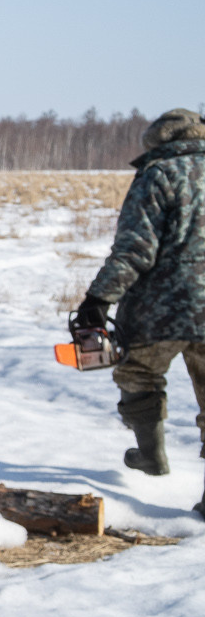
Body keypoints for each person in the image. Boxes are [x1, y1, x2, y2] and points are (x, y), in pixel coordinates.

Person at [77, 108, 205, 507]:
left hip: (159, 309)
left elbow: (134, 250)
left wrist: (98, 300)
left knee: (137, 373)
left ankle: (150, 455)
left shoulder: (158, 174)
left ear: (157, 141)